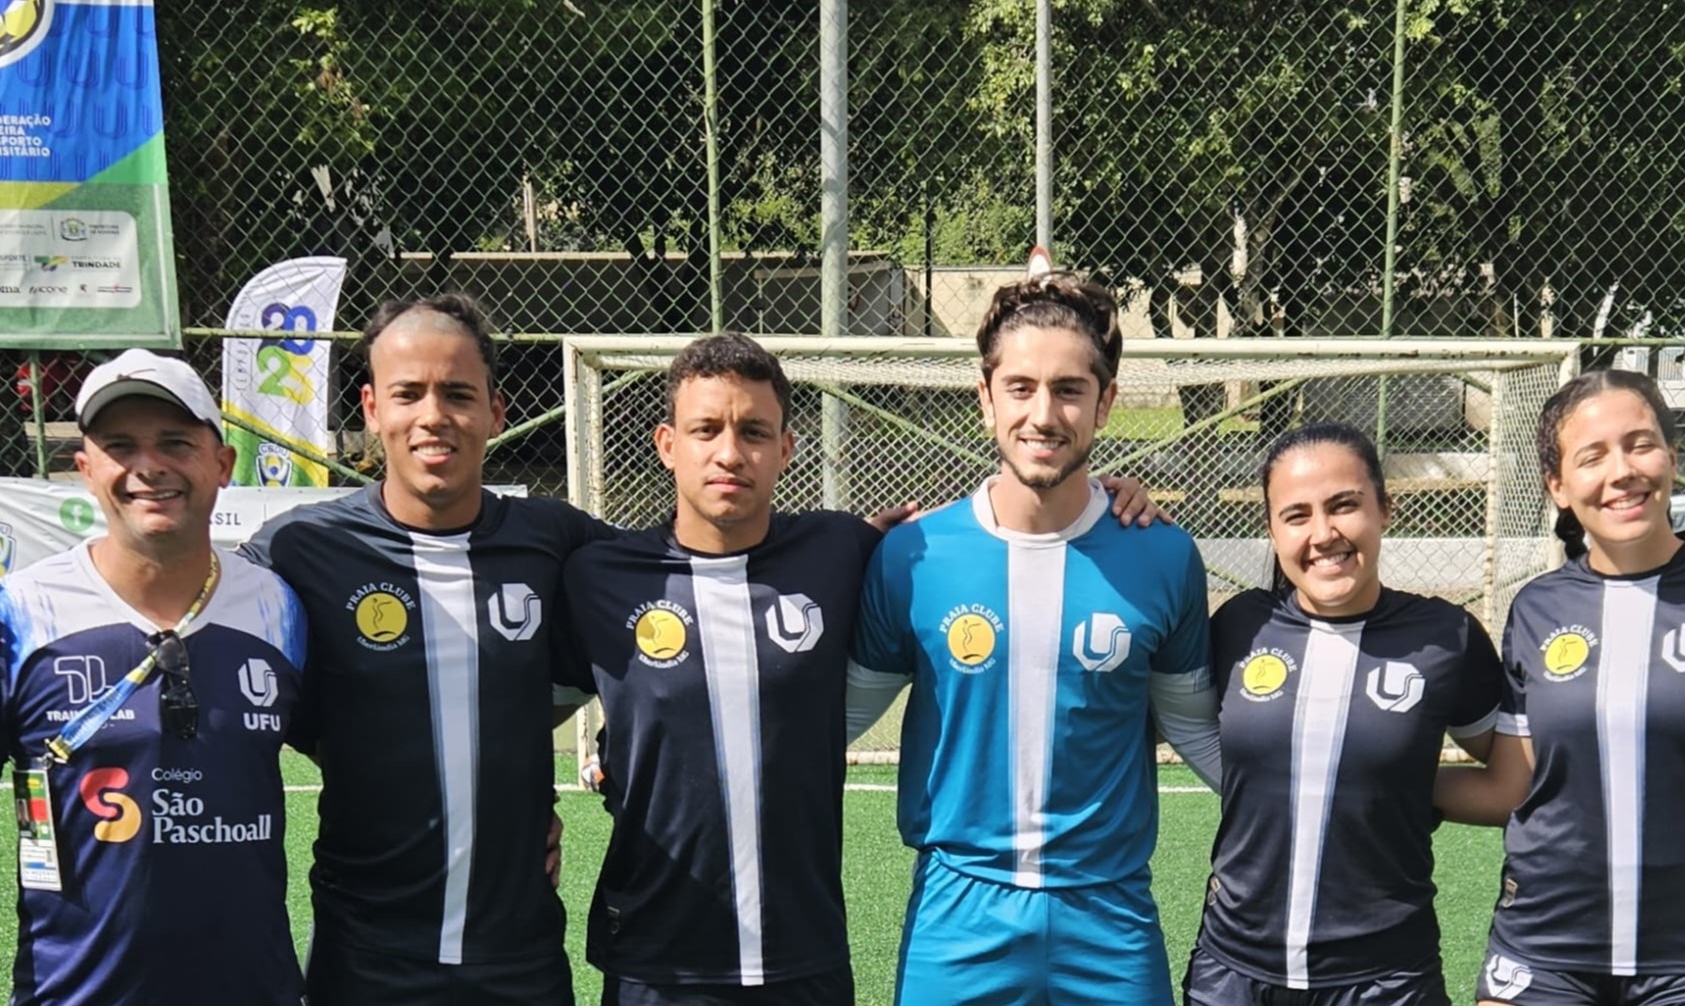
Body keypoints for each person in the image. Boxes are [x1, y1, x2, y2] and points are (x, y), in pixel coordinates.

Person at [845, 262, 1222, 1006]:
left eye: (1069, 389)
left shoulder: (1163, 555)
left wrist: (1336, 799)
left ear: (1105, 403)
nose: (1042, 414)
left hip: (1110, 917)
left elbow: (1195, 731)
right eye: (1019, 387)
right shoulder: (915, 556)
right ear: (985, 398)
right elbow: (832, 718)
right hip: (958, 912)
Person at [238, 294, 602, 1005]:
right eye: (408, 394)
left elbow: (679, 592)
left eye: (458, 394)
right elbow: (189, 617)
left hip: (519, 955)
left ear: (496, 412)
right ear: (372, 409)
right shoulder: (298, 551)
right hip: (366, 955)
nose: (433, 415)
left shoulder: (556, 540)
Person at [0, 350, 308, 1006]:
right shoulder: (6, 620)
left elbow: (366, 762)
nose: (148, 466)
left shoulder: (283, 609)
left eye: (175, 443)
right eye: (120, 446)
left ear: (222, 464)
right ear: (85, 469)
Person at [559, 333, 878, 1005]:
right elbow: (516, 699)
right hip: (656, 962)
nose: (729, 453)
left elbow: (961, 535)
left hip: (804, 957)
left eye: (753, 432)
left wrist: (1093, 502)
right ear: (667, 444)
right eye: (706, 429)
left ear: (785, 449)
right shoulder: (598, 576)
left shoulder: (841, 549)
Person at [1435, 370, 1685, 1005]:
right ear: (1557, 486)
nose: (1623, 471)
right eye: (1593, 456)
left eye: (1640, 445)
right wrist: (1369, 772)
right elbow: (1512, 786)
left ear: (1672, 456)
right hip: (1542, 949)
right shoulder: (1537, 608)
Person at [1183, 422, 1501, 1005]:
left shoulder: (1446, 636)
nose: (1323, 533)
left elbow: (1512, 784)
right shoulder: (1239, 625)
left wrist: (1398, 780)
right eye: (1296, 515)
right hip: (1235, 970)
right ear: (1272, 529)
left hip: (1386, 977)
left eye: (1344, 505)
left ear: (1385, 510)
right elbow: (1178, 721)